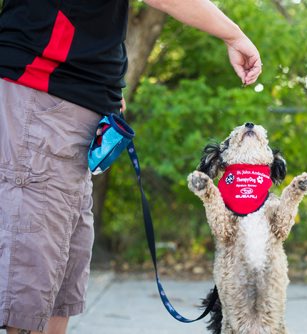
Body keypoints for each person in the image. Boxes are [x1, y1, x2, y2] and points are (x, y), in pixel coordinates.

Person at [0, 0, 262, 333]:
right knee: (33, 269)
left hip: (75, 103)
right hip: (40, 91)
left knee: (62, 270)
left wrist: (104, 86)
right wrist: (233, 34)